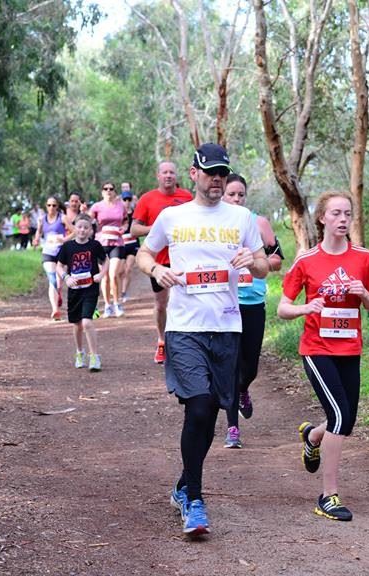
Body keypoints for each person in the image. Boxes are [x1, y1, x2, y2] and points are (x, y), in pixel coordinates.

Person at [136, 143, 268, 537]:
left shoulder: (242, 217)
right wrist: (158, 271)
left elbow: (263, 267)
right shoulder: (172, 215)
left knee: (209, 413)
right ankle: (194, 499)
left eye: (222, 173)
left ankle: (183, 483)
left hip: (227, 328)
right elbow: (144, 253)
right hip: (184, 327)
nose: (217, 179)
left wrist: (253, 262)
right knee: (198, 406)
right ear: (193, 173)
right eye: (210, 172)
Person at [278, 191, 369, 522]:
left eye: (347, 214)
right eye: (336, 213)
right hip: (317, 348)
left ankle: (312, 436)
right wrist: (305, 308)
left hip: (350, 347)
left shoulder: (364, 258)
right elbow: (282, 308)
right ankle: (328, 495)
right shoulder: (307, 260)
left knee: (346, 420)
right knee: (339, 415)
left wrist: (363, 293)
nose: (342, 219)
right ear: (321, 218)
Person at [220, 174, 284, 448]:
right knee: (230, 366)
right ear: (222, 194)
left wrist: (256, 261)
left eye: (240, 195)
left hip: (253, 303)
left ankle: (245, 388)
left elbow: (278, 261)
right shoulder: (214, 225)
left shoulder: (259, 223)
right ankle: (232, 427)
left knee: (251, 367)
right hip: (225, 304)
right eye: (231, 194)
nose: (236, 199)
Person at [131, 161, 193, 364]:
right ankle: (162, 341)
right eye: (164, 172)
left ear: (177, 176)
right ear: (158, 175)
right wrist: (159, 230)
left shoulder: (187, 197)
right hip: (158, 262)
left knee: (185, 301)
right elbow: (134, 230)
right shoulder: (147, 199)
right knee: (161, 304)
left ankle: (185, 343)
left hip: (184, 260)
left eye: (172, 172)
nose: (168, 176)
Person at [56, 213, 107, 372]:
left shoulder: (95, 245)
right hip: (74, 291)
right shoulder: (68, 247)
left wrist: (101, 274)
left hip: (90, 289)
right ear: (74, 229)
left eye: (86, 228)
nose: (82, 230)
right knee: (77, 324)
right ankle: (79, 352)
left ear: (91, 230)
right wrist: (66, 277)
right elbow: (59, 266)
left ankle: (94, 356)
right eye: (79, 227)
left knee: (86, 322)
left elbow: (106, 261)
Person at [89, 182, 127, 318]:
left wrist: (124, 227)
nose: (108, 191)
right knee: (104, 276)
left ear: (115, 192)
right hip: (101, 243)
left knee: (113, 273)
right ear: (102, 192)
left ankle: (117, 304)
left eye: (111, 189)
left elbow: (125, 221)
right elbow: (88, 220)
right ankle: (107, 305)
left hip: (117, 242)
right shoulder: (97, 206)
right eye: (106, 189)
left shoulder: (120, 205)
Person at [34, 196, 68, 320]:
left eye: (54, 205)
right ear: (46, 206)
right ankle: (55, 310)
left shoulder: (62, 218)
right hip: (48, 252)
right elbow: (39, 231)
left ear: (58, 206)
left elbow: (74, 231)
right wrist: (36, 239)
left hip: (61, 252)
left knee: (59, 283)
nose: (51, 208)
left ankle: (58, 293)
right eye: (49, 205)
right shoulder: (42, 219)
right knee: (52, 280)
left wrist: (64, 239)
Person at [119, 183, 139, 303]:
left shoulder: (136, 213)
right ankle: (117, 289)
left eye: (128, 199)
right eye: (124, 199)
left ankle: (123, 292)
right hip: (121, 244)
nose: (126, 202)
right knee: (119, 271)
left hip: (133, 244)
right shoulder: (117, 213)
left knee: (128, 269)